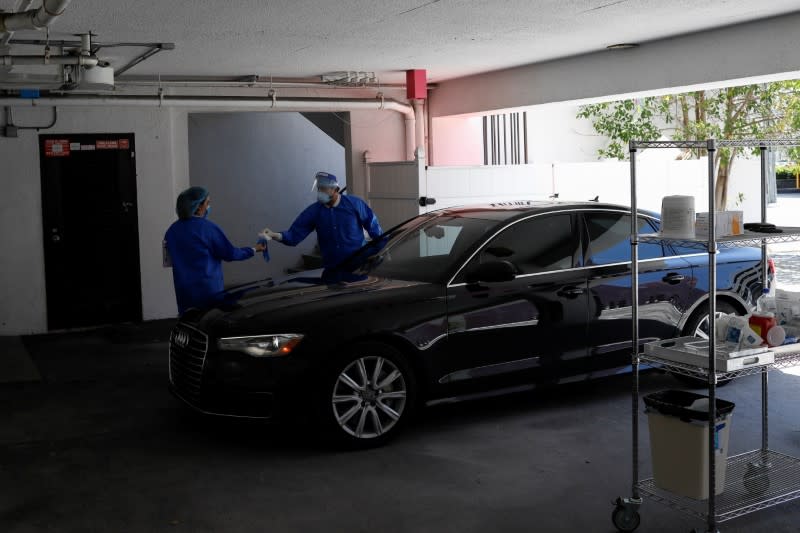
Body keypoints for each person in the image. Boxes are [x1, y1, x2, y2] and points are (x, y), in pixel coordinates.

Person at [164, 186, 266, 315]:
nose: (209, 207)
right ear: (198, 206)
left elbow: (168, 261)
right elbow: (231, 254)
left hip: (183, 291)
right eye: (207, 203)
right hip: (207, 291)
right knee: (209, 324)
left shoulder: (171, 230)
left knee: (189, 323)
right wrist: (254, 249)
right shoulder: (207, 228)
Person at [261, 171, 383, 273]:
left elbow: (375, 230)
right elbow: (294, 235)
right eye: (319, 188)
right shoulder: (314, 211)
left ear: (336, 189)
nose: (320, 192)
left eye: (323, 189)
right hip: (332, 269)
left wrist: (374, 252)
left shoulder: (355, 204)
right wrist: (275, 235)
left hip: (358, 267)